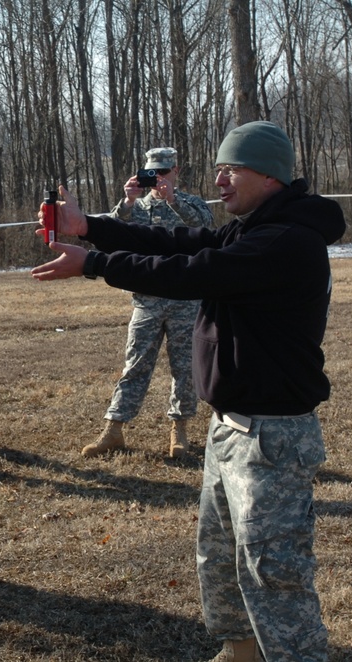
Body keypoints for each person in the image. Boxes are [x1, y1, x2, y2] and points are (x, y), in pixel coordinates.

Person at [31, 121, 345, 662]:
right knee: (219, 560)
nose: (219, 180)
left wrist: (96, 264)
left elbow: (193, 271)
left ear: (269, 176)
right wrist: (91, 228)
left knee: (274, 574)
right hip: (231, 428)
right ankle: (240, 651)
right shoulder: (251, 229)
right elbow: (177, 241)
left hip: (270, 436)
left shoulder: (286, 240)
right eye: (218, 169)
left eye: (231, 170)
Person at [83, 147, 213, 459]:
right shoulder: (137, 207)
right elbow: (110, 232)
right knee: (135, 365)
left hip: (185, 299)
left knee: (185, 368)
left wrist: (173, 200)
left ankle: (179, 430)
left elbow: (205, 227)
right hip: (147, 301)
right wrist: (127, 201)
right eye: (153, 173)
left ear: (175, 171)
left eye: (165, 172)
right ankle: (114, 429)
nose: (159, 179)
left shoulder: (191, 203)